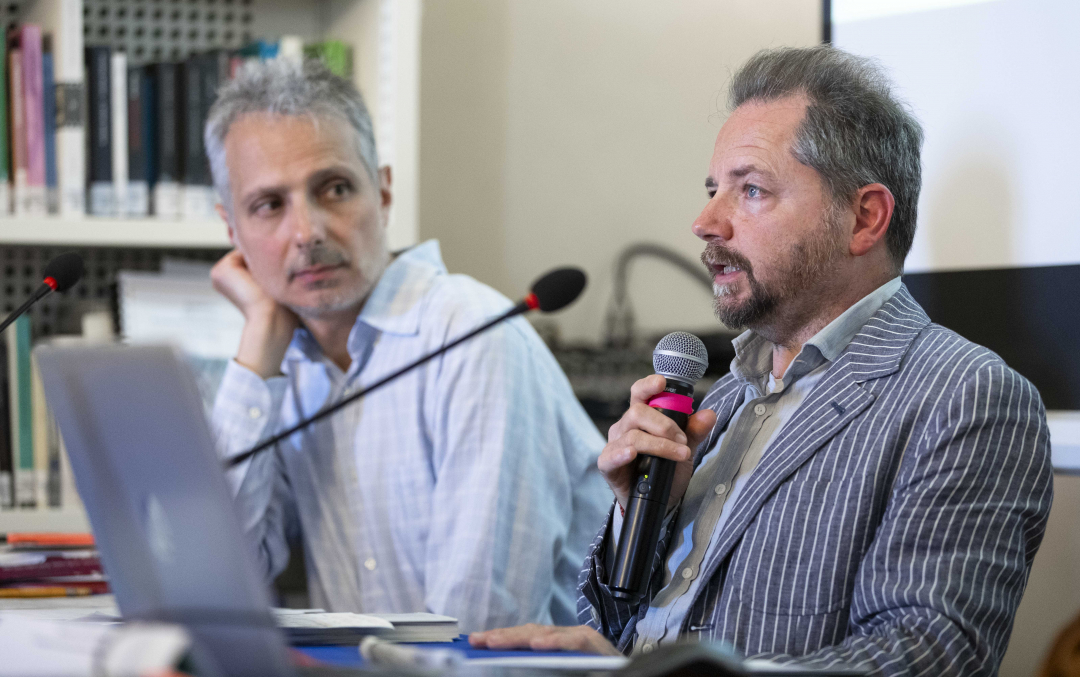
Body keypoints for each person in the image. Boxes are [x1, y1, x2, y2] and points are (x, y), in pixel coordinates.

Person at [471, 46, 1054, 676]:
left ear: (864, 218)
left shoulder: (966, 397)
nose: (705, 222)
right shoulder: (721, 399)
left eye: (750, 189)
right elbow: (633, 634)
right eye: (712, 189)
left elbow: (926, 655)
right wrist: (640, 518)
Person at [204, 59, 610, 632]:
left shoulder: (471, 337)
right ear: (231, 231)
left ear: (384, 192)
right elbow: (217, 584)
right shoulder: (281, 363)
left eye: (335, 188)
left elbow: (477, 629)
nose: (308, 231)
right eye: (269, 205)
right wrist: (257, 346)